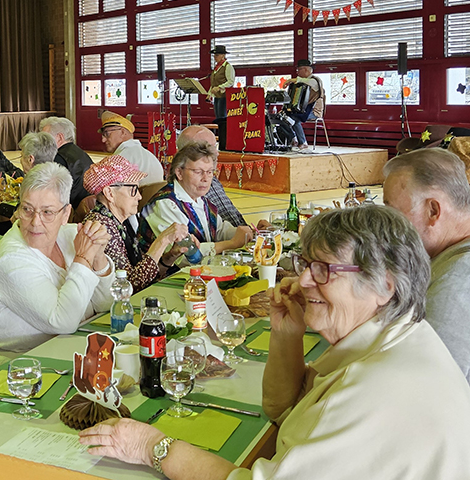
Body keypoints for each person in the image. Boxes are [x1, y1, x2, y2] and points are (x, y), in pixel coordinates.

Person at [80, 205, 470, 479]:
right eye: (306, 265)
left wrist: (153, 447)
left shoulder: (377, 388)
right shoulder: (394, 338)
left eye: (324, 269)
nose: (303, 281)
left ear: (384, 285)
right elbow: (284, 409)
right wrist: (287, 334)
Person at [0, 162, 113, 353]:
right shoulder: (10, 259)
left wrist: (98, 257)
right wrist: (84, 258)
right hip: (7, 362)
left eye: (47, 212)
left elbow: (106, 304)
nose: (35, 222)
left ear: (65, 214)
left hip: (59, 350)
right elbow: (63, 322)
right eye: (27, 209)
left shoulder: (71, 236)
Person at [383, 148, 470, 381]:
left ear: (433, 210)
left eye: (393, 214)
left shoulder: (457, 282)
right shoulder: (449, 257)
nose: (388, 228)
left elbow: (427, 383)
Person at [82, 156, 190, 292]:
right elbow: (130, 285)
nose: (139, 196)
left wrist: (170, 257)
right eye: (133, 190)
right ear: (109, 193)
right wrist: (162, 240)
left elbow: (145, 275)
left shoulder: (121, 222)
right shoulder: (101, 226)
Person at [143, 142, 252, 257]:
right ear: (179, 173)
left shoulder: (200, 199)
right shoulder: (165, 204)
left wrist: (248, 234)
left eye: (209, 172)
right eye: (198, 172)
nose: (205, 178)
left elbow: (219, 230)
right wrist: (232, 244)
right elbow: (184, 255)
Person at [177, 125, 247, 227]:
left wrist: (255, 232)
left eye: (215, 147)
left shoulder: (212, 181)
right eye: (208, 149)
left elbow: (228, 226)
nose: (216, 153)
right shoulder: (183, 195)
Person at [40, 116, 94, 209]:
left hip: (72, 209)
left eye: (46, 138)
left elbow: (51, 193)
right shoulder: (80, 152)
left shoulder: (59, 158)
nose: (42, 142)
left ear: (60, 137)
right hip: (86, 206)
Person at [98, 111, 163, 185]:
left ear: (123, 132)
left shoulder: (119, 159)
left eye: (107, 134)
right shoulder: (150, 157)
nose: (103, 140)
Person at [284, 58, 325, 150]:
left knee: (295, 118)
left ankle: (303, 142)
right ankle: (293, 138)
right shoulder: (303, 81)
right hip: (303, 110)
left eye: (299, 69)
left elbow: (307, 82)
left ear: (306, 69)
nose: (297, 72)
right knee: (283, 117)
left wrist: (290, 80)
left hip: (314, 111)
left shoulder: (315, 80)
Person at [207, 44, 234, 120]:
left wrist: (219, 87)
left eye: (217, 55)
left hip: (224, 96)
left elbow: (230, 82)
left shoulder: (228, 67)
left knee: (222, 117)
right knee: (218, 117)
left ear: (223, 55)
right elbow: (214, 83)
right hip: (217, 96)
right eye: (214, 55)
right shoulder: (216, 68)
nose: (215, 57)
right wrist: (209, 94)